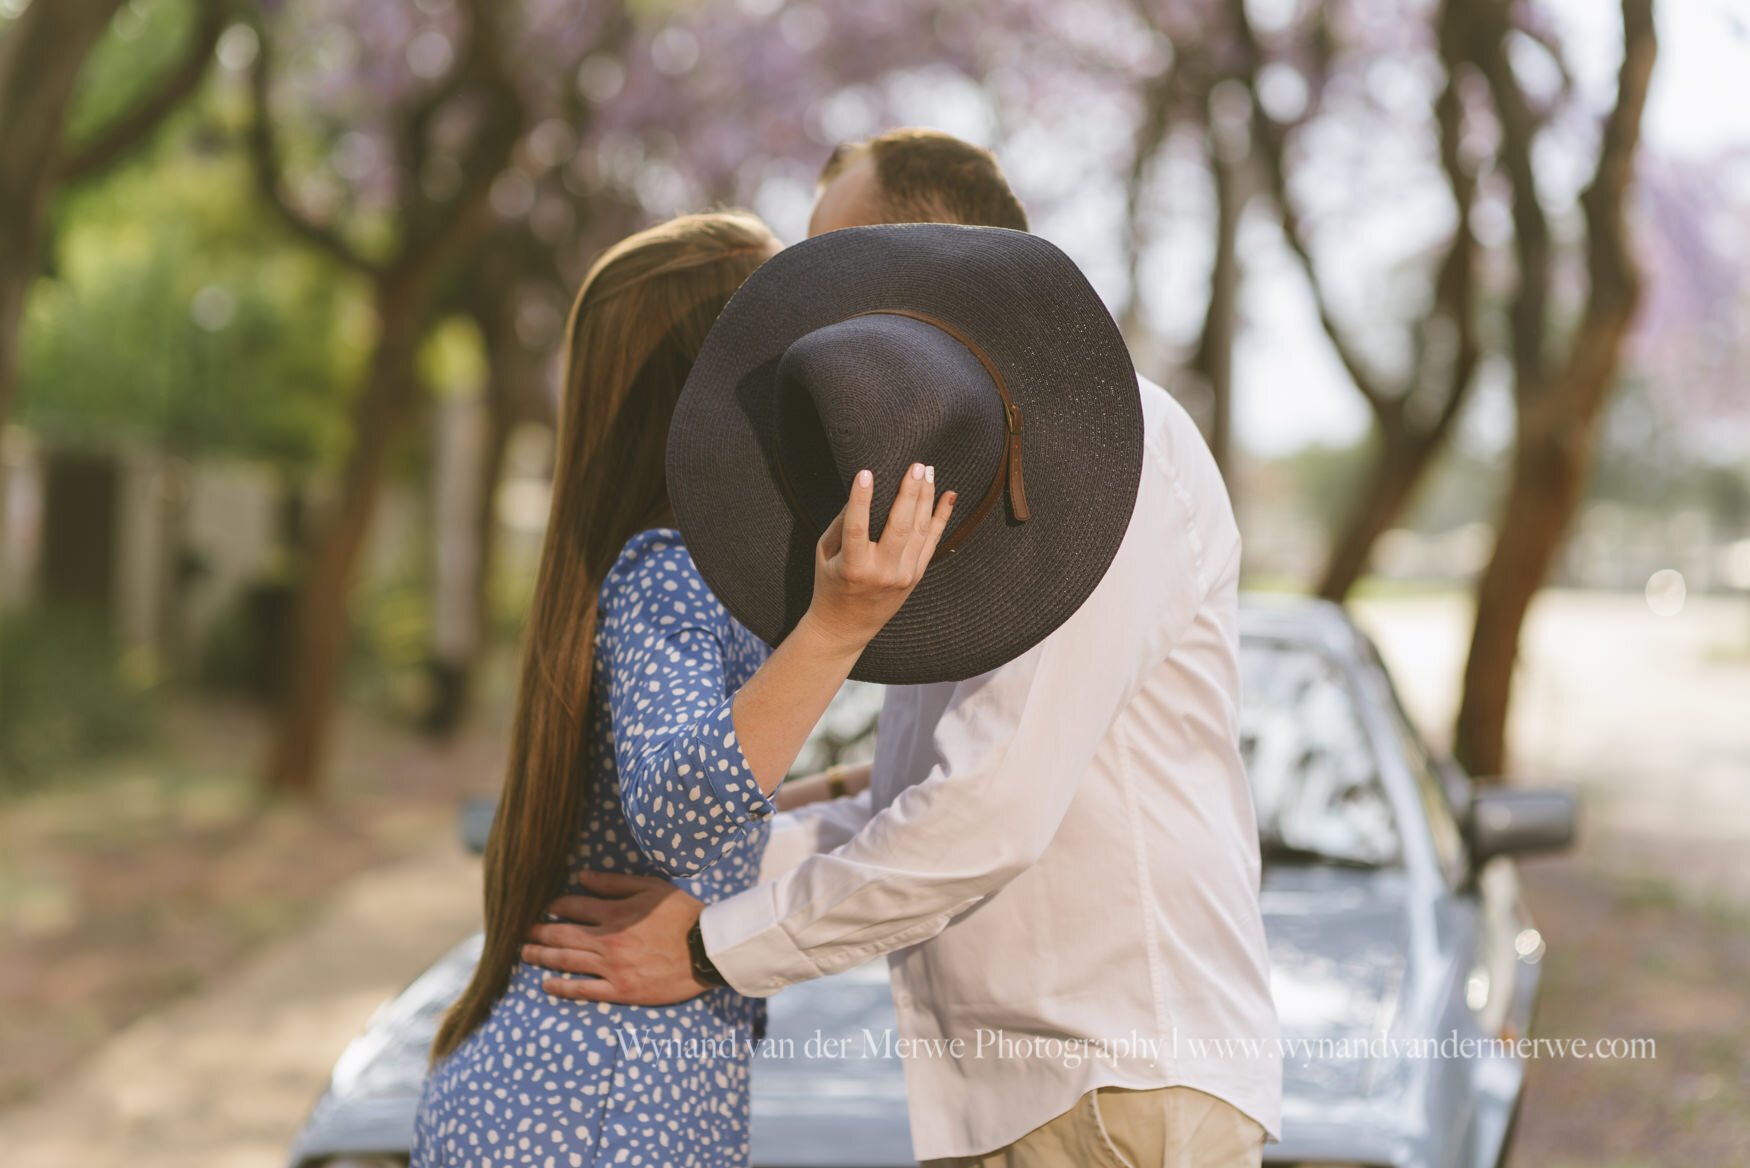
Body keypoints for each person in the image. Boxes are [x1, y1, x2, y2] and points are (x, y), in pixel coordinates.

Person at [527, 130, 1282, 1168]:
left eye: (831, 264)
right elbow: (913, 795)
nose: (812, 314)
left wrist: (710, 949)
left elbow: (985, 816)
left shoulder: (1112, 455)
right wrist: (698, 891)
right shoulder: (946, 488)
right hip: (1031, 1090)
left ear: (933, 257)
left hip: (1110, 1080)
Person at [410, 209, 957, 1168]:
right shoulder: (669, 566)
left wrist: (828, 792)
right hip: (597, 1108)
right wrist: (838, 627)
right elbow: (675, 813)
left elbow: (665, 813)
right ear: (720, 382)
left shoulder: (682, 570)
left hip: (583, 1091)